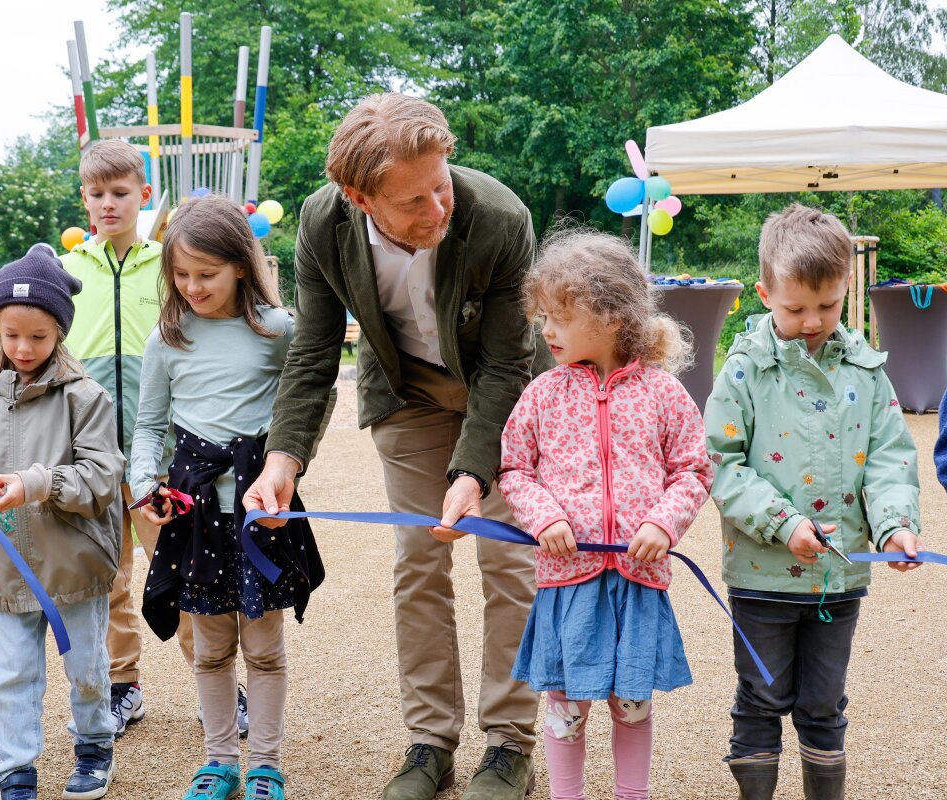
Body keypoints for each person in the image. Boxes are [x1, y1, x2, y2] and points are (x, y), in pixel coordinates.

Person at [243, 93, 552, 800]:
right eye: (413, 201)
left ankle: (509, 745)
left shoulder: (500, 216)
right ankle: (430, 742)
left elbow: (508, 365)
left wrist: (474, 471)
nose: (436, 210)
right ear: (358, 197)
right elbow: (315, 351)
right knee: (420, 559)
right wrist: (283, 458)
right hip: (406, 396)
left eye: (440, 186)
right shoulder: (323, 225)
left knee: (509, 560)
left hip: (500, 397)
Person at [705, 204, 923, 800]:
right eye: (795, 308)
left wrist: (894, 527)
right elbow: (720, 465)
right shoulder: (743, 372)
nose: (812, 320)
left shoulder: (868, 371)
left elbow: (889, 460)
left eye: (826, 306)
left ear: (845, 288)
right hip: (761, 575)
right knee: (760, 697)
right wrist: (783, 523)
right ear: (765, 292)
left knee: (824, 704)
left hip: (839, 578)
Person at [497, 228, 711, 800]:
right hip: (568, 582)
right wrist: (544, 519)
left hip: (638, 582)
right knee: (565, 707)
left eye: (560, 317)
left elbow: (693, 470)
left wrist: (662, 524)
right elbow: (514, 470)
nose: (546, 330)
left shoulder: (664, 393)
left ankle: (630, 795)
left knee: (633, 704)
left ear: (613, 317)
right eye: (543, 315)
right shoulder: (542, 394)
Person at [131, 195, 323, 800]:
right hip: (194, 515)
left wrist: (287, 470)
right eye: (180, 275)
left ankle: (265, 764)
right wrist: (144, 484)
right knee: (210, 647)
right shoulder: (167, 338)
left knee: (264, 647)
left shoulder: (278, 330)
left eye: (205, 274)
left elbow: (307, 406)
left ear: (241, 264)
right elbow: (148, 426)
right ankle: (218, 762)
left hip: (260, 514)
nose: (191, 286)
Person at [0, 244, 124, 800]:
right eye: (11, 334)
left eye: (38, 337)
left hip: (76, 564)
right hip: (7, 567)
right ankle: (16, 771)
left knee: (86, 668)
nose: (23, 347)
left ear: (59, 332)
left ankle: (93, 748)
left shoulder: (87, 398)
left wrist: (37, 483)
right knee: (14, 674)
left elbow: (103, 476)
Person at [60, 139, 203, 738]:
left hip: (158, 458)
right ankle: (124, 687)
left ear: (145, 196)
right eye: (97, 194)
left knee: (187, 571)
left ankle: (216, 684)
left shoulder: (169, 267)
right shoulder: (67, 274)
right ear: (85, 201)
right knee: (108, 578)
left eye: (121, 193)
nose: (108, 203)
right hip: (92, 458)